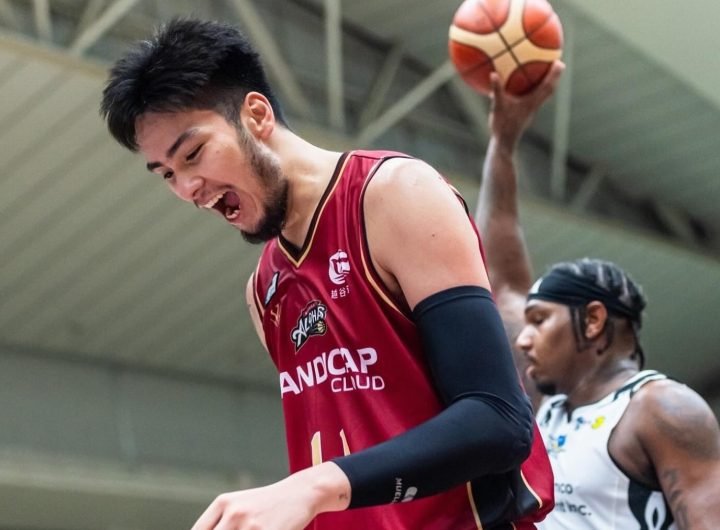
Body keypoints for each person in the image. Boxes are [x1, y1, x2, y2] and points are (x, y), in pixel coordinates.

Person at [100, 18, 555, 530]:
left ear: (255, 114)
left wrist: (316, 486)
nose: (186, 188)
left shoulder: (394, 195)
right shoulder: (263, 290)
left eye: (192, 154)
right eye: (166, 174)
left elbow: (499, 421)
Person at [475, 63, 720, 529]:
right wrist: (502, 144)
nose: (523, 339)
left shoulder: (662, 409)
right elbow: (500, 280)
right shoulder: (553, 408)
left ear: (592, 322)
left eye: (540, 320)